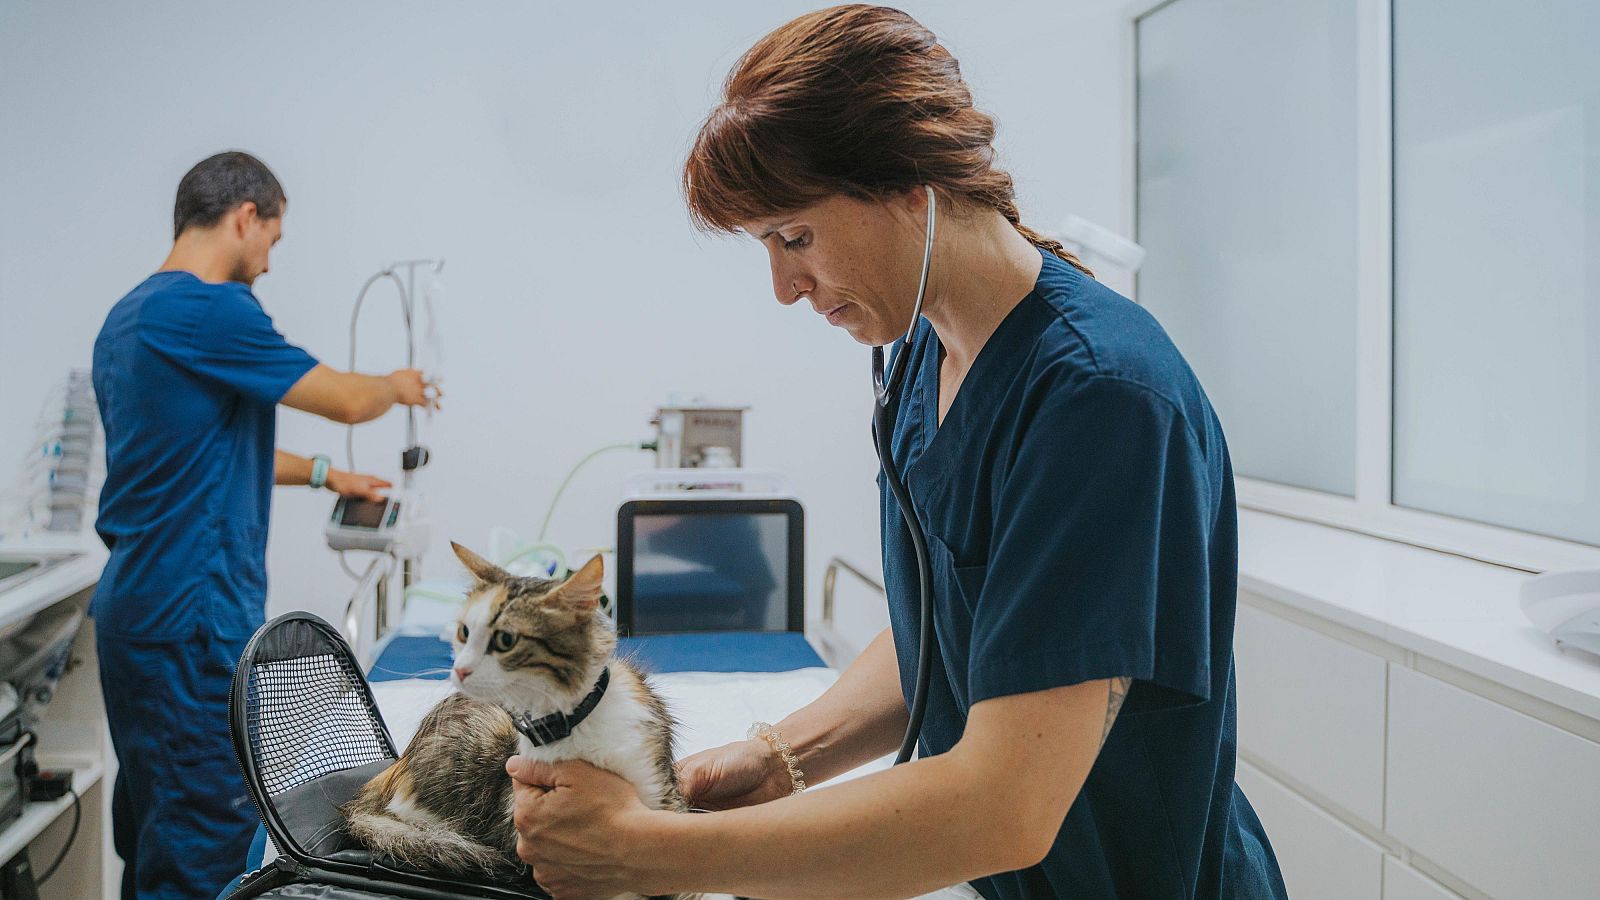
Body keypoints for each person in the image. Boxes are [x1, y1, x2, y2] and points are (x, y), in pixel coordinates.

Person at [502, 7, 1288, 899]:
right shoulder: (925, 349)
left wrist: (644, 851)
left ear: (913, 187)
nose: (784, 287)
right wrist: (777, 761)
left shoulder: (1098, 401)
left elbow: (1005, 807)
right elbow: (954, 625)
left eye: (795, 237)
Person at [90, 150, 440, 900]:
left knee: (152, 820)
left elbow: (196, 448)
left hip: (134, 613)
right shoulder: (211, 310)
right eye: (273, 241)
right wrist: (397, 385)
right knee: (203, 833)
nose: (270, 263)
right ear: (246, 216)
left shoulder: (126, 321)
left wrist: (326, 476)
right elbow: (346, 400)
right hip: (191, 616)